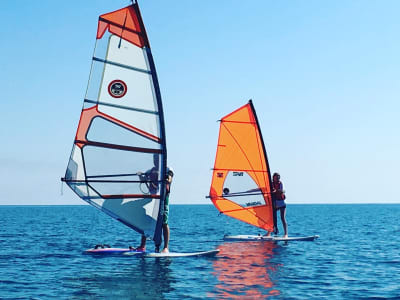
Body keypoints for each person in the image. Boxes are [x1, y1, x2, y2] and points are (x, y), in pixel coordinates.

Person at [271, 172, 288, 238]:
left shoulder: (280, 183)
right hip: (275, 204)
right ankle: (269, 232)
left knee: (282, 218)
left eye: (278, 177)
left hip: (281, 203)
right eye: (276, 177)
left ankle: (286, 234)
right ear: (273, 178)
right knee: (272, 219)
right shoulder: (271, 184)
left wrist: (276, 191)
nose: (277, 179)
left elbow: (280, 190)